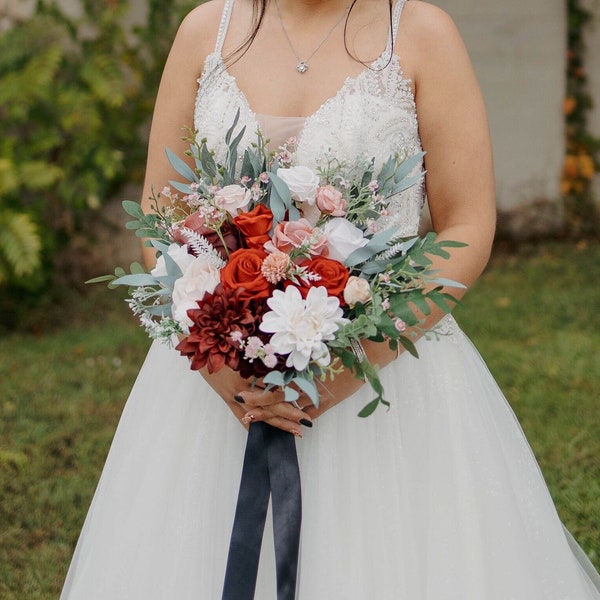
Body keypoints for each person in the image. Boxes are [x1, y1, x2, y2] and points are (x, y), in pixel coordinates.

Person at [61, 0, 600, 597]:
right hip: (218, 379)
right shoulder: (204, 30)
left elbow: (467, 226)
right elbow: (161, 220)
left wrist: (344, 370)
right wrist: (225, 370)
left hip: (384, 367)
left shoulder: (421, 34)